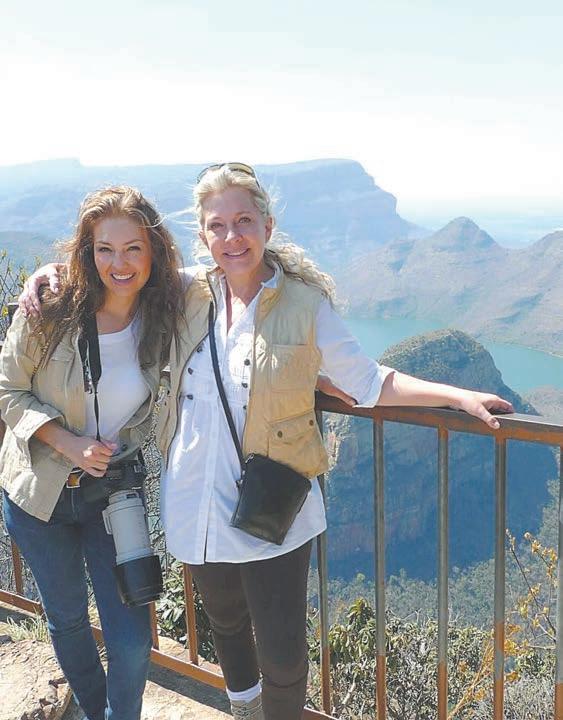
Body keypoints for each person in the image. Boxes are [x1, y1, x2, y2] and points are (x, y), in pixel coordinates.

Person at [20, 165, 513, 720]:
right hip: (197, 504)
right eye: (218, 225)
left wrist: (457, 396)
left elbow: (370, 382)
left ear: (267, 226)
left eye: (244, 222)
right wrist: (54, 270)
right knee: (226, 625)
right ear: (203, 235)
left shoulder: (304, 305)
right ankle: (244, 711)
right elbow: (121, 270)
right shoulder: (188, 292)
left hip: (270, 506)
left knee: (282, 656)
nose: (232, 237)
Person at [0, 186, 184, 720]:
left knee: (132, 638)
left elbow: (230, 282)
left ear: (154, 251)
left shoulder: (164, 315)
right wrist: (69, 443)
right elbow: (8, 389)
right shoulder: (50, 309)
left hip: (113, 493)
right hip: (40, 494)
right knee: (68, 620)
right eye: (105, 248)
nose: (119, 264)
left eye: (133, 248)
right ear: (87, 250)